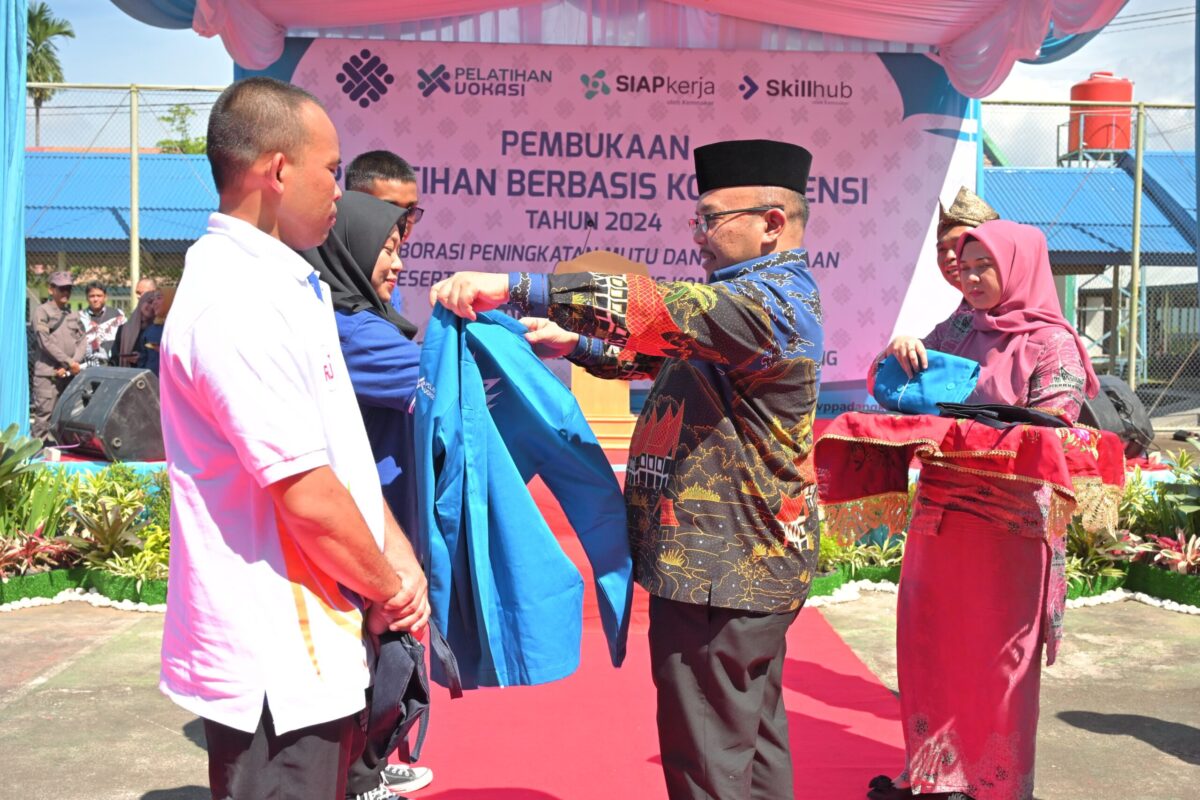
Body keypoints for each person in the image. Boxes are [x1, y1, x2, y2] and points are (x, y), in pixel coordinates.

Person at [431, 139, 824, 800]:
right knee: (750, 744)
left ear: (771, 224)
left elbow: (666, 311)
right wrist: (576, 344)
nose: (698, 235)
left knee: (708, 759)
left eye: (711, 220)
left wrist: (520, 288)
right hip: (733, 570)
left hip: (721, 572)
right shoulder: (756, 302)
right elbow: (667, 351)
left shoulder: (769, 303)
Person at [157, 76, 429, 800]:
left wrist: (396, 556)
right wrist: (388, 589)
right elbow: (305, 493)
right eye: (331, 171)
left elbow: (339, 456)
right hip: (276, 661)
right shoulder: (236, 300)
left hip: (320, 647)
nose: (340, 191)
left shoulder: (288, 285)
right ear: (278, 171)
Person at [864, 220, 1100, 800]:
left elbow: (1055, 433)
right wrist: (897, 355)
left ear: (1018, 267)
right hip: (939, 517)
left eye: (981, 267)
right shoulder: (958, 327)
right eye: (963, 268)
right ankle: (933, 776)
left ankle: (993, 786)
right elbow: (892, 391)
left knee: (997, 664)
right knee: (930, 646)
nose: (968, 279)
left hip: (1007, 527)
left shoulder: (1055, 343)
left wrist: (965, 430)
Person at [300, 190, 433, 800]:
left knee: (379, 645)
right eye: (387, 250)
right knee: (369, 646)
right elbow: (445, 384)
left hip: (377, 510)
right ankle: (360, 776)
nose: (399, 264)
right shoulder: (353, 332)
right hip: (364, 516)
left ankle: (368, 767)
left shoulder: (358, 321)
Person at [879, 186, 999, 378]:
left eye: (959, 245)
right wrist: (899, 348)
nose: (950, 256)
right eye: (942, 249)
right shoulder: (955, 324)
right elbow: (883, 376)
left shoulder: (1036, 329)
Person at [345, 150, 424, 330]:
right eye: (389, 208)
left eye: (410, 211)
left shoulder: (388, 282)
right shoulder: (325, 281)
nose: (403, 221)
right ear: (353, 204)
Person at [30, 271, 84, 444]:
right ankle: (37, 454)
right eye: (61, 288)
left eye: (68, 289)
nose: (65, 292)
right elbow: (44, 342)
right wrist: (68, 362)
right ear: (51, 289)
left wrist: (71, 365)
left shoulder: (73, 314)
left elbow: (82, 340)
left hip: (68, 374)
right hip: (48, 375)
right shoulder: (42, 311)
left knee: (67, 416)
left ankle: (64, 451)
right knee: (44, 416)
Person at [80, 282, 126, 368]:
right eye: (92, 296)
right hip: (88, 366)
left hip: (114, 365)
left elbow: (125, 338)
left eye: (99, 296)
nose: (95, 299)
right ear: (87, 298)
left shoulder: (118, 315)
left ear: (105, 297)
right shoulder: (80, 317)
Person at [114, 288, 160, 368]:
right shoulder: (124, 329)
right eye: (149, 302)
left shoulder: (158, 331)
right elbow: (115, 357)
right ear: (141, 302)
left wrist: (141, 358)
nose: (151, 306)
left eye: (154, 303)